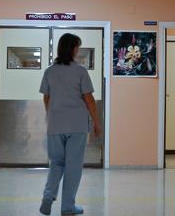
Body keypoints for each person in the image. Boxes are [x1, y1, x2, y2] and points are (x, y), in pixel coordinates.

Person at [39, 33, 102, 216]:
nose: (78, 50)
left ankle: (49, 195)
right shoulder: (80, 71)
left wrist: (51, 116)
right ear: (73, 48)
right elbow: (89, 99)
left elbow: (46, 97)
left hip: (56, 124)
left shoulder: (49, 71)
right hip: (77, 125)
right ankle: (67, 207)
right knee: (73, 166)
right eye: (77, 47)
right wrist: (96, 122)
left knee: (56, 163)